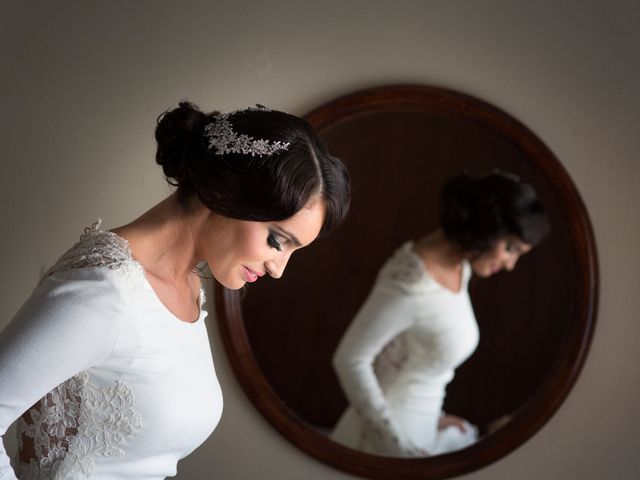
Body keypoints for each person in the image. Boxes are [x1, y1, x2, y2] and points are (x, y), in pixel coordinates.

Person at [0, 102, 350, 479]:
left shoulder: (187, 286)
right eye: (277, 241)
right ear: (230, 197)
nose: (278, 269)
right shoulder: (103, 295)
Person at [331, 171, 548, 458]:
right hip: (387, 447)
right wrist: (398, 450)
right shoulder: (409, 286)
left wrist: (435, 419)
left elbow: (420, 355)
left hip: (425, 430)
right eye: (510, 248)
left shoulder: (462, 268)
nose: (509, 264)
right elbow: (350, 359)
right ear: (488, 228)